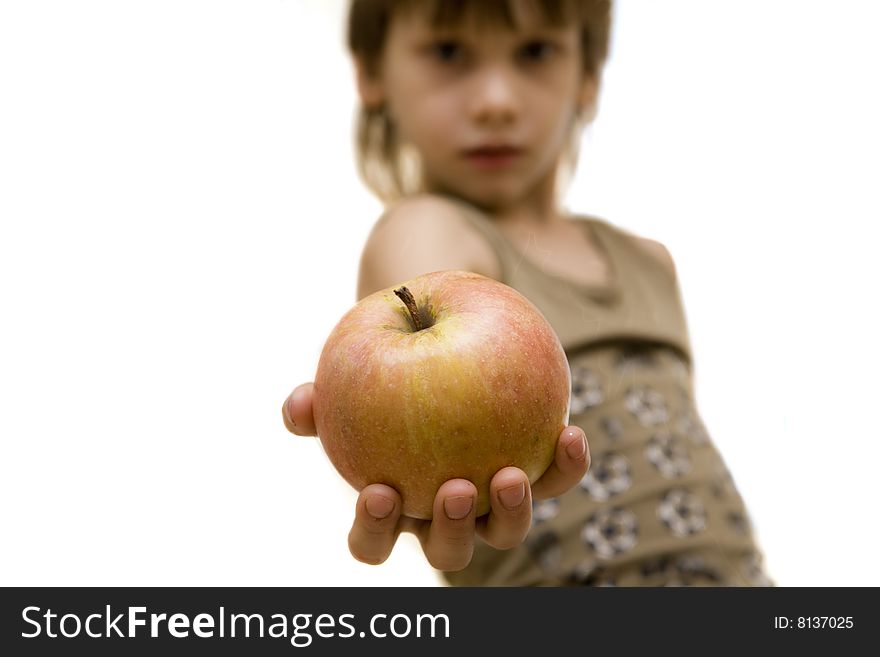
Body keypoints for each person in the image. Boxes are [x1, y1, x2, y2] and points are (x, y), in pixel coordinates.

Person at [282, 0, 772, 586]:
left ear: (587, 76)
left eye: (536, 52)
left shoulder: (649, 263)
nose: (496, 101)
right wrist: (395, 435)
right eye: (448, 52)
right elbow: (427, 353)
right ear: (371, 72)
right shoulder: (428, 231)